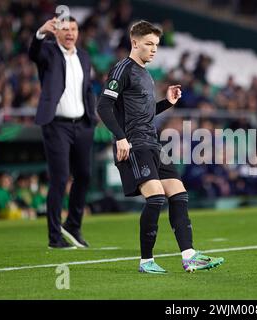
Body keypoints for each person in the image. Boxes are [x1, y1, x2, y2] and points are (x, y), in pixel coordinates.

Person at [96, 20, 224, 274]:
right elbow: (103, 106)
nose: (154, 49)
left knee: (179, 193)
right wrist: (120, 137)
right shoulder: (123, 69)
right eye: (149, 44)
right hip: (134, 144)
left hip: (152, 143)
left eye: (156, 44)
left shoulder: (145, 74)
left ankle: (189, 256)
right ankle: (146, 261)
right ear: (135, 43)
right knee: (155, 198)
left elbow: (144, 114)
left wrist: (167, 103)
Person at [29, 16, 96, 248]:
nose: (70, 33)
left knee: (85, 176)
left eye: (74, 29)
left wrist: (92, 117)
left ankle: (73, 226)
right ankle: (54, 236)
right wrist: (40, 34)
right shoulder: (48, 52)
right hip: (56, 125)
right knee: (59, 178)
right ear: (56, 32)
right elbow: (33, 54)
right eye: (65, 29)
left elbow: (87, 88)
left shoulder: (84, 56)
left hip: (83, 125)